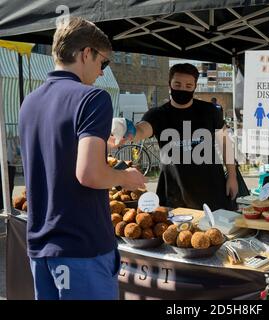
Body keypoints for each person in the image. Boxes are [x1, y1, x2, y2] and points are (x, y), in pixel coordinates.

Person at [18, 17, 146, 300]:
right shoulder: (92, 98)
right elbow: (89, 174)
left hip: (40, 245)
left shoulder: (30, 101)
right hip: (82, 246)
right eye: (104, 63)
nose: (102, 73)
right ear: (86, 53)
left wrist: (103, 149)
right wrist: (127, 178)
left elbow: (56, 156)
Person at [116, 63, 239, 210]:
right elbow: (141, 131)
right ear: (169, 85)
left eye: (188, 86)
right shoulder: (158, 115)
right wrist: (126, 129)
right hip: (175, 194)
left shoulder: (210, 111)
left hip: (212, 190)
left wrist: (232, 176)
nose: (183, 89)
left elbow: (225, 143)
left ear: (195, 86)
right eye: (178, 84)